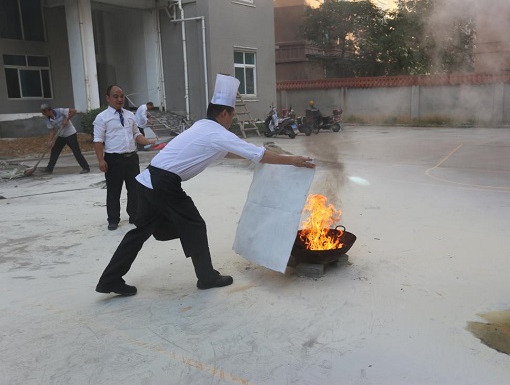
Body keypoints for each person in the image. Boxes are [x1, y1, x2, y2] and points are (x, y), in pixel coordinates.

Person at [95, 74, 315, 296]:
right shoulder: (216, 131)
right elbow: (257, 153)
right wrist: (292, 160)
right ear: (223, 113)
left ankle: (109, 280)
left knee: (140, 232)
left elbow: (226, 152)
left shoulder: (203, 126)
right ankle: (207, 276)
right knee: (195, 225)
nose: (233, 120)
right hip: (164, 184)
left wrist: (253, 157)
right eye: (232, 115)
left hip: (149, 181)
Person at [93, 85, 156, 231]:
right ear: (108, 98)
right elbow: (97, 140)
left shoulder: (129, 115)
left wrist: (146, 141)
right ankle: (113, 219)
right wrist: (101, 160)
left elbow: (135, 134)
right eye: (115, 96)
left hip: (131, 158)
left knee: (134, 189)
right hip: (113, 160)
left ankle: (134, 215)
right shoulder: (102, 118)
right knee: (114, 191)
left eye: (121, 96)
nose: (119, 99)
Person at [40, 103, 91, 174]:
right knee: (55, 151)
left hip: (70, 134)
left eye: (43, 112)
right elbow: (51, 131)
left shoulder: (59, 111)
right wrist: (50, 141)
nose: (43, 114)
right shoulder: (48, 120)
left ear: (48, 111)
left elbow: (74, 111)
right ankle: (49, 169)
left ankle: (86, 168)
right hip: (61, 135)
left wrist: (67, 119)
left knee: (76, 151)